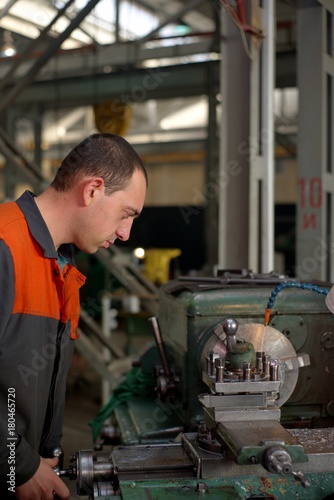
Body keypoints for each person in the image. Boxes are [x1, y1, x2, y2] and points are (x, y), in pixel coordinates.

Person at [0, 133, 148, 499]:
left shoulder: (61, 264)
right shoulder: (4, 246)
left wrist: (44, 454)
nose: (126, 233)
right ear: (93, 190)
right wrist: (18, 466)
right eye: (126, 214)